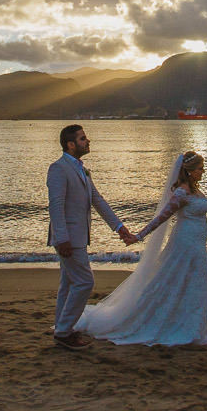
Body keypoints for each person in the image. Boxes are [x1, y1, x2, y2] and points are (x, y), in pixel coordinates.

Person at [74, 150, 207, 347]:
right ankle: (172, 324)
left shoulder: (195, 190)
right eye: (200, 168)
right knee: (177, 280)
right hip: (185, 243)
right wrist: (138, 236)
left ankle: (193, 326)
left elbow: (197, 215)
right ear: (189, 171)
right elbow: (161, 218)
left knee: (196, 282)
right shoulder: (181, 192)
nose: (203, 171)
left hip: (198, 243)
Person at [47, 124, 137, 351]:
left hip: (78, 237)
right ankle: (64, 332)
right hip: (68, 239)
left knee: (68, 284)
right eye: (83, 139)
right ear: (70, 144)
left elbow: (98, 201)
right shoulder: (58, 169)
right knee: (85, 282)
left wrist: (119, 227)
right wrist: (62, 238)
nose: (88, 141)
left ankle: (61, 327)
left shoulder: (83, 170)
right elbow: (56, 206)